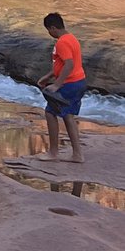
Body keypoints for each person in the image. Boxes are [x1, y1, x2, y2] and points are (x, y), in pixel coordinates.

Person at [36, 12, 86, 163]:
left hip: (69, 84)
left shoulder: (62, 43)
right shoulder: (72, 38)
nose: (49, 34)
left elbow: (69, 65)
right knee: (68, 115)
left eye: (48, 30)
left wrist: (57, 85)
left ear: (53, 28)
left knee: (50, 113)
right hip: (79, 81)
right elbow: (63, 63)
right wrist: (48, 77)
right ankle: (77, 154)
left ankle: (53, 152)